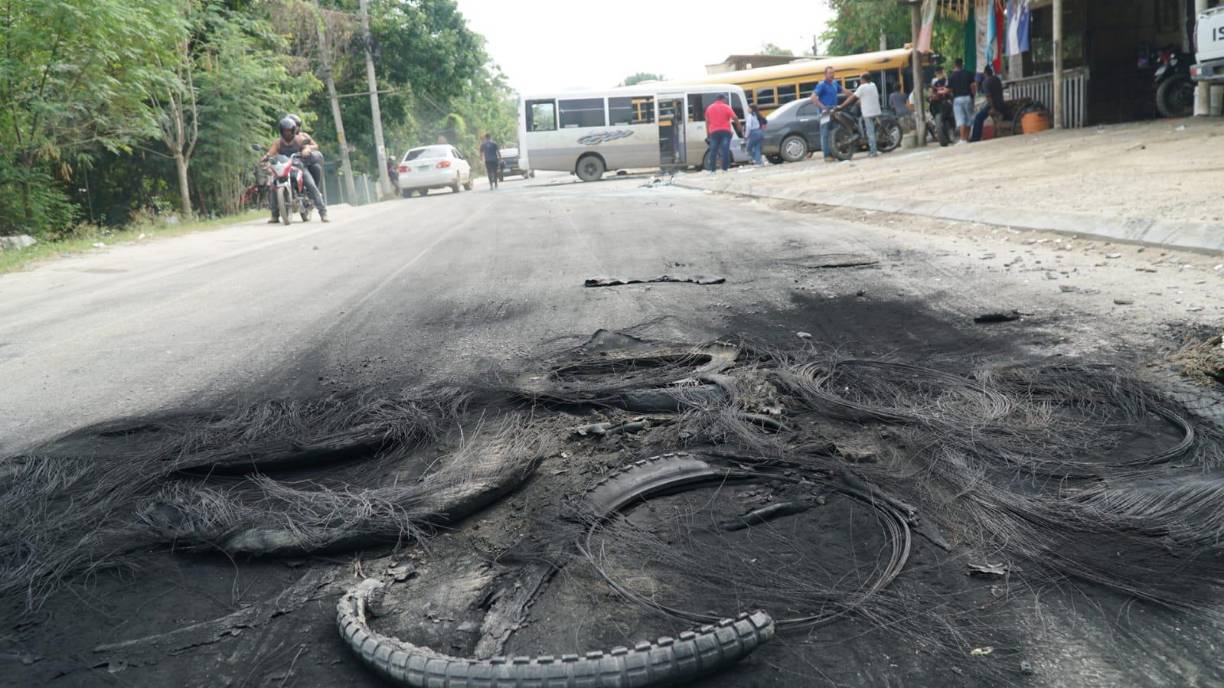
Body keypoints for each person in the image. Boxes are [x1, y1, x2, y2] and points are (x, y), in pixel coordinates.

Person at [263, 116, 328, 222]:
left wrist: (306, 150)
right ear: (281, 131)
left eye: (289, 131)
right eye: (284, 131)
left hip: (299, 168)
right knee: (273, 186)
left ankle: (323, 213)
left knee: (311, 185)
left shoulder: (300, 139)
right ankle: (274, 215)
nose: (287, 133)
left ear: (293, 131)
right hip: (284, 168)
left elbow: (307, 147)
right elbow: (271, 152)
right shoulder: (278, 142)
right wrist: (265, 157)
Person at [837, 72, 882, 157]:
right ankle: (873, 148)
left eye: (860, 79)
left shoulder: (862, 87)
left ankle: (873, 151)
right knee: (872, 130)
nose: (860, 80)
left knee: (870, 132)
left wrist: (841, 106)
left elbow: (852, 98)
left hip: (868, 112)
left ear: (863, 79)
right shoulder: (873, 85)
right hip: (876, 111)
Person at [811, 66, 842, 162]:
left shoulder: (835, 83)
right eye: (830, 73)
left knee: (836, 132)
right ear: (825, 74)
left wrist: (854, 95)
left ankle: (835, 153)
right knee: (825, 134)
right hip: (825, 113)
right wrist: (823, 107)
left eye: (833, 73)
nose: (832, 75)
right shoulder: (822, 85)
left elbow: (844, 91)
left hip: (834, 111)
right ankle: (827, 155)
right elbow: (813, 98)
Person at [971, 65, 1008, 142]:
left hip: (994, 104)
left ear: (985, 73)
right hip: (1001, 103)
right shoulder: (997, 79)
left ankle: (975, 138)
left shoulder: (986, 82)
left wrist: (992, 108)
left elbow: (989, 97)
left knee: (978, 118)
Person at [703, 94, 739, 172]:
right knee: (725, 150)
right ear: (722, 99)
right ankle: (724, 169)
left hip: (714, 132)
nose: (725, 101)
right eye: (725, 99)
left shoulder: (709, 108)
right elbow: (735, 117)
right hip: (725, 132)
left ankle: (713, 170)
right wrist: (739, 126)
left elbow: (707, 122)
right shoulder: (726, 107)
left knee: (713, 150)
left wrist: (708, 134)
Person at [948, 58, 976, 144]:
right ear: (962, 64)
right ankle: (967, 138)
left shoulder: (951, 76)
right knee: (969, 118)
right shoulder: (968, 74)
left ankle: (963, 139)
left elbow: (950, 90)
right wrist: (972, 96)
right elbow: (973, 86)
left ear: (955, 65)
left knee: (961, 119)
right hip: (967, 97)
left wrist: (952, 97)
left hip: (957, 99)